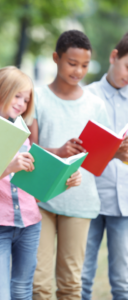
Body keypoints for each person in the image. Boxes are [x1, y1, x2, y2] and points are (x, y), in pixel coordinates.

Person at [0, 66, 82, 300]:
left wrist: (65, 181)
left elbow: (33, 190)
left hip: (30, 224)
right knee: (0, 295)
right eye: (18, 96)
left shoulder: (21, 133)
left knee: (22, 291)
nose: (22, 104)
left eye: (26, 100)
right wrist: (10, 167)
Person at [30, 30, 111, 300]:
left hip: (80, 200)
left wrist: (116, 150)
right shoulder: (37, 98)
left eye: (85, 65)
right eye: (72, 63)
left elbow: (98, 158)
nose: (78, 70)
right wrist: (60, 151)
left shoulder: (96, 105)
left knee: (70, 284)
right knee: (39, 284)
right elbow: (29, 150)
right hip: (41, 198)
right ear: (56, 58)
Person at [81, 32, 128, 300]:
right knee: (82, 278)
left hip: (125, 204)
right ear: (114, 56)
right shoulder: (86, 97)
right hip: (90, 198)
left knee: (123, 282)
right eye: (127, 67)